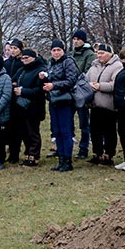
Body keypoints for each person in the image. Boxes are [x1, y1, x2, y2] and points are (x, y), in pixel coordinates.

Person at [43, 40, 79, 172]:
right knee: (56, 131)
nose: (56, 53)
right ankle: (61, 159)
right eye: (54, 50)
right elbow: (50, 78)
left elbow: (71, 80)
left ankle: (68, 160)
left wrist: (54, 85)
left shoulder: (68, 62)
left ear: (63, 50)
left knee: (65, 132)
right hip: (53, 100)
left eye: (58, 50)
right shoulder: (50, 63)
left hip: (65, 100)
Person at [86, 43, 123, 166]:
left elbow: (116, 84)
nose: (99, 55)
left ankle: (109, 154)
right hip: (95, 104)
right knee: (95, 130)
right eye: (98, 53)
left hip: (109, 105)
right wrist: (89, 85)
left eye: (102, 53)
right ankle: (96, 153)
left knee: (109, 131)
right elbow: (86, 80)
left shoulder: (117, 66)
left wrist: (100, 86)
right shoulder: (94, 66)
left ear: (110, 53)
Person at [11, 48, 46, 166]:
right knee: (24, 131)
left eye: (27, 58)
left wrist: (23, 91)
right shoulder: (21, 70)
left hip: (34, 106)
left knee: (33, 132)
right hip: (21, 106)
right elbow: (13, 80)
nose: (24, 60)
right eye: (23, 58)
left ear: (34, 58)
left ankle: (34, 155)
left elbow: (40, 89)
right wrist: (14, 85)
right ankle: (27, 153)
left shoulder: (40, 71)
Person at [71, 30, 96, 159]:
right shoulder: (71, 54)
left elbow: (86, 72)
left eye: (78, 39)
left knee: (83, 123)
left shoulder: (89, 54)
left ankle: (84, 148)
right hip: (70, 91)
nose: (76, 41)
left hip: (81, 91)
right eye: (74, 39)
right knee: (68, 122)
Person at [3, 38, 26, 163]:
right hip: (8, 97)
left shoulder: (22, 63)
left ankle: (18, 153)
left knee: (19, 127)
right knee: (9, 127)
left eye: (15, 48)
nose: (12, 51)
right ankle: (11, 153)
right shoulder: (6, 63)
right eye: (11, 48)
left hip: (19, 97)